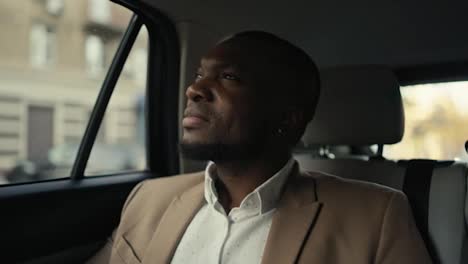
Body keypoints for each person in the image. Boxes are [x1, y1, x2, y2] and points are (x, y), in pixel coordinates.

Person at [88, 31, 431, 264]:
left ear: (287, 118)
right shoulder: (148, 198)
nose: (194, 90)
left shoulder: (378, 216)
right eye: (198, 75)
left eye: (229, 77)